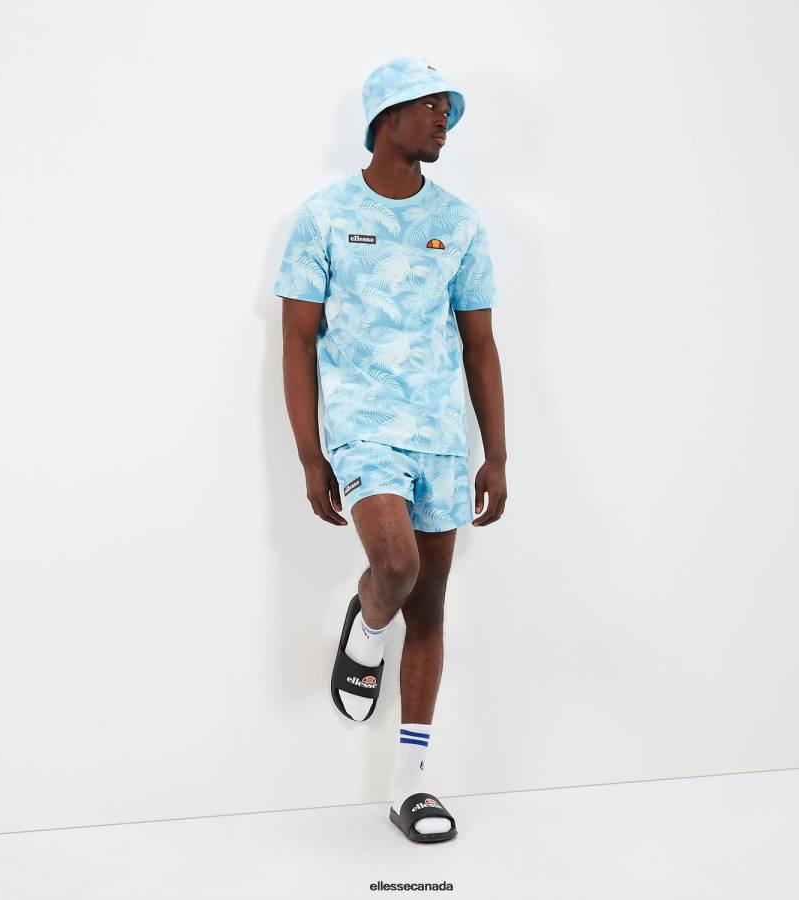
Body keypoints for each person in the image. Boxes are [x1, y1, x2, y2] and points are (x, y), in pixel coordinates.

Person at [274, 57, 507, 843]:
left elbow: (480, 345)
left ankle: (411, 784)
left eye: (449, 109)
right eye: (430, 106)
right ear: (385, 116)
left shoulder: (461, 224)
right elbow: (297, 339)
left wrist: (496, 454)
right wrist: (310, 454)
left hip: (440, 434)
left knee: (431, 610)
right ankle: (368, 625)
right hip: (362, 425)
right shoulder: (324, 216)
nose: (444, 120)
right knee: (396, 568)